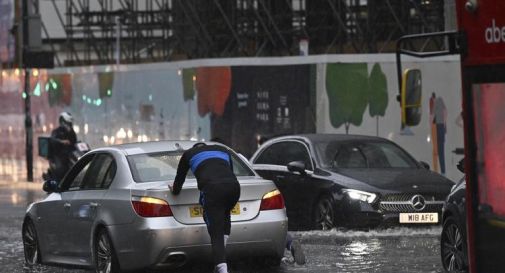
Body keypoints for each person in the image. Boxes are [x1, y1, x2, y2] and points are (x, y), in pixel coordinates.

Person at [170, 142, 241, 273]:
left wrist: (174, 190)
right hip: (234, 188)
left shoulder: (188, 154)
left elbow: (179, 181)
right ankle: (220, 257)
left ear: (195, 149)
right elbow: (229, 171)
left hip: (212, 190)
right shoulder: (222, 149)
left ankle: (221, 268)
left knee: (215, 232)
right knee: (225, 215)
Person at [45, 112, 77, 181]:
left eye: (70, 123)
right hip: (59, 157)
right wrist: (62, 142)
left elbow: (74, 141)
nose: (69, 125)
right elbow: (53, 141)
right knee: (61, 171)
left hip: (69, 156)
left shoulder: (71, 132)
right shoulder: (56, 132)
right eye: (67, 123)